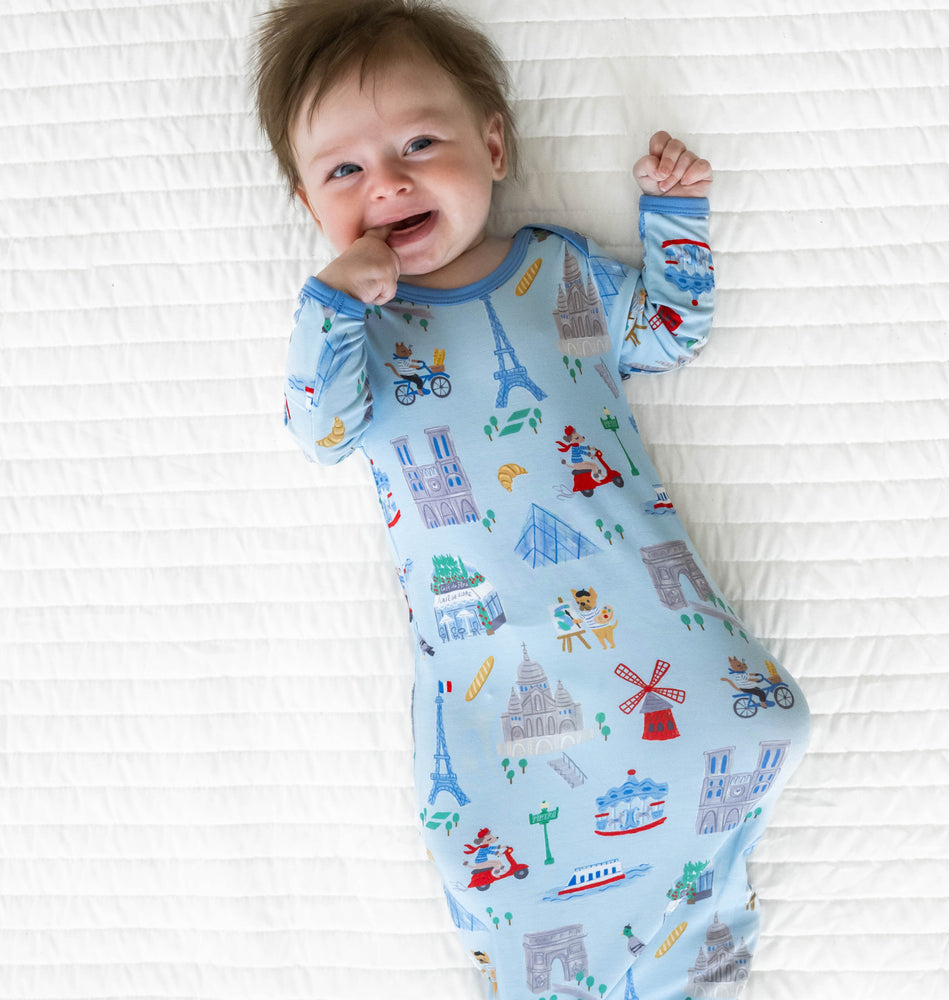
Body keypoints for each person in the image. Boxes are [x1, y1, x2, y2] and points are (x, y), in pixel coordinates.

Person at [253, 2, 811, 997]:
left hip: (641, 611)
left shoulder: (556, 272)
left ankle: (698, 929)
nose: (387, 180)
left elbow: (670, 332)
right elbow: (319, 428)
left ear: (494, 145)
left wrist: (674, 216)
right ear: (310, 205)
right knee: (507, 868)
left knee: (732, 735)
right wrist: (332, 301)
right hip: (494, 664)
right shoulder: (362, 339)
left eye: (421, 142)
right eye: (344, 172)